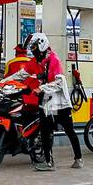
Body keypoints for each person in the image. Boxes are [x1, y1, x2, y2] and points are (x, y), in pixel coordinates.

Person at [26, 33, 82, 171]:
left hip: (60, 103)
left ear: (41, 45)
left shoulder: (54, 60)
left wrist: (41, 88)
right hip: (46, 103)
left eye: (34, 47)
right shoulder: (37, 62)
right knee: (45, 132)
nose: (33, 50)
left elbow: (58, 82)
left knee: (70, 131)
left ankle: (78, 158)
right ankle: (48, 162)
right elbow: (23, 73)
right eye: (31, 47)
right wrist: (4, 82)